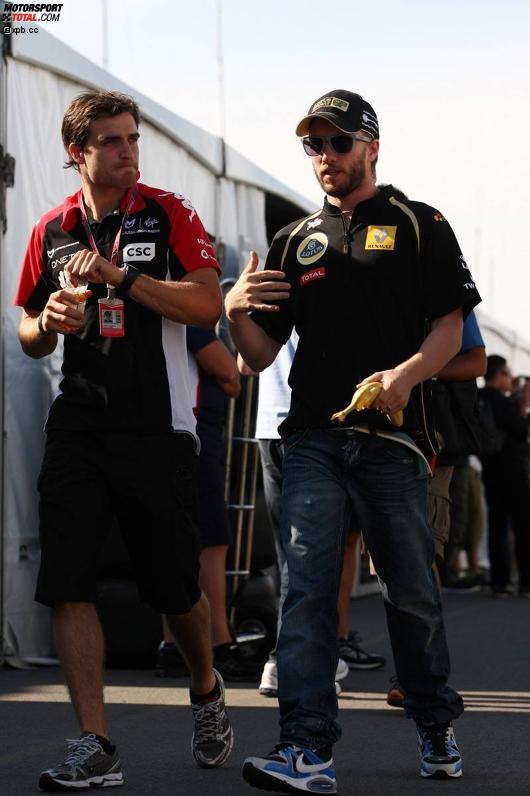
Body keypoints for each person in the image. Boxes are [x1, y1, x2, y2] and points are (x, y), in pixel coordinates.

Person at [225, 89, 481, 791]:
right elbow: (258, 356)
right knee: (305, 591)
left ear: (371, 145)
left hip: (395, 443)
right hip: (309, 439)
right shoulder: (295, 239)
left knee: (411, 595)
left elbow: (452, 332)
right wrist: (231, 310)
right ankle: (306, 749)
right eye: (314, 145)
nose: (326, 157)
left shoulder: (419, 222)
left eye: (339, 143)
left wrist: (405, 375)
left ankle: (434, 722)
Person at [14, 90, 233, 791]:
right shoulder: (50, 228)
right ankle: (95, 742)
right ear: (77, 152)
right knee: (69, 582)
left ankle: (205, 688)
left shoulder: (169, 212)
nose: (127, 151)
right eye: (110, 141)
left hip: (157, 427)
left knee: (174, 589)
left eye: (132, 138)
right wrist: (46, 321)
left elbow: (207, 303)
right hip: (78, 422)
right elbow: (25, 328)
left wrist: (123, 277)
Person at [158, 326, 259, 681]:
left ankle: (175, 645)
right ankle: (217, 642)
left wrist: (228, 377)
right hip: (192, 432)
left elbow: (229, 377)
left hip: (180, 431)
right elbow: (229, 373)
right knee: (211, 541)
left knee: (180, 540)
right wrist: (227, 376)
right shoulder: (185, 316)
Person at [479, 356, 530, 597]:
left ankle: (499, 582)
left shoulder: (478, 398)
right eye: (508, 374)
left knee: (496, 526)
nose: (510, 380)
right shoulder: (502, 402)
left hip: (489, 469)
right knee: (522, 525)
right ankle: (526, 581)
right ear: (499, 375)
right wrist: (523, 408)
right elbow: (520, 432)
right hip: (512, 470)